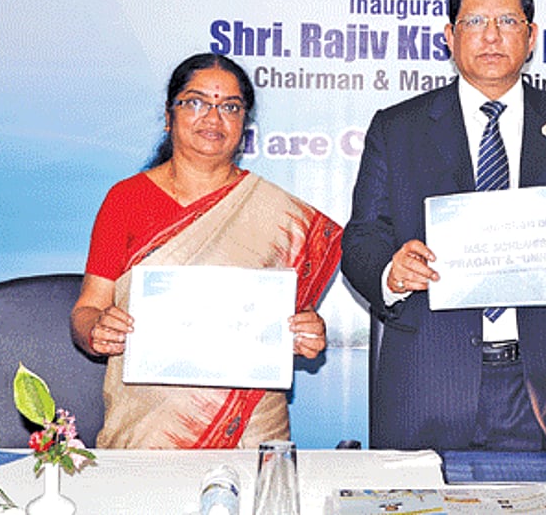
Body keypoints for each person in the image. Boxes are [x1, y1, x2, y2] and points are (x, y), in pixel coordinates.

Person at [341, 0, 546, 455]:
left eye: (507, 22)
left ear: (532, 36)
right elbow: (361, 240)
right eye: (475, 22)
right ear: (449, 36)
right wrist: (390, 272)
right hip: (427, 387)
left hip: (545, 394)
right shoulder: (397, 129)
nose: (492, 36)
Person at [70, 53, 343, 448]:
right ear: (169, 116)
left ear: (244, 125)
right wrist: (97, 329)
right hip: (148, 429)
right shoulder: (126, 200)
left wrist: (305, 332)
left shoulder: (279, 215)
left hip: (251, 430)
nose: (213, 118)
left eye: (230, 107)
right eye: (196, 102)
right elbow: (86, 310)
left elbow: (288, 325)